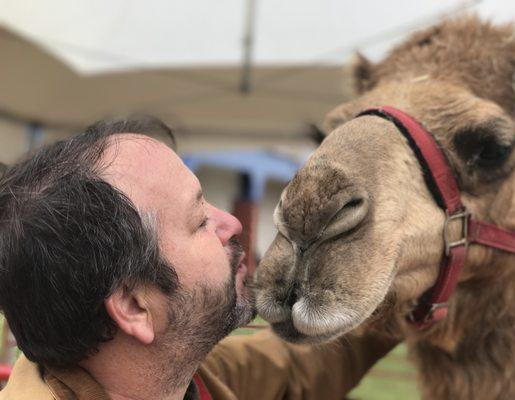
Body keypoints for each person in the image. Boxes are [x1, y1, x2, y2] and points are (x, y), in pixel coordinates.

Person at [0, 118, 397, 400]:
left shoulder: (187, 379)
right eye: (200, 220)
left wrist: (400, 295)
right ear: (136, 306)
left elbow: (294, 370)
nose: (232, 224)